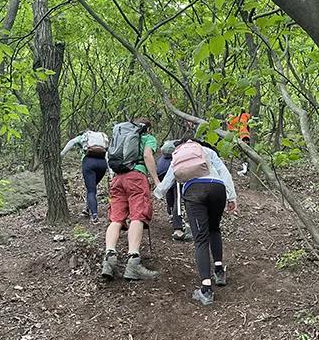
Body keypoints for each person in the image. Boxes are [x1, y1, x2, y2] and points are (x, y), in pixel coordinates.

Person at [154, 139, 237, 306]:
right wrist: (232, 196)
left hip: (194, 191)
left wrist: (157, 193)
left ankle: (206, 290)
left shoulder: (179, 154)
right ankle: (219, 272)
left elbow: (170, 178)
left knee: (200, 239)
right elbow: (224, 171)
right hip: (217, 188)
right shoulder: (207, 151)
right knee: (214, 229)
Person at [101, 117, 160, 281]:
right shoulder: (147, 137)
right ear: (147, 128)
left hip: (117, 178)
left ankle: (109, 258)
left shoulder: (121, 135)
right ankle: (133, 262)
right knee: (137, 216)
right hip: (136, 177)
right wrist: (156, 180)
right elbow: (148, 156)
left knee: (116, 219)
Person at [60, 129, 109, 224]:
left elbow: (72, 142)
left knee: (91, 190)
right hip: (102, 164)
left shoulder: (82, 137)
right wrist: (110, 172)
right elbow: (107, 153)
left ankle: (94, 215)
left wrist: (62, 154)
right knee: (92, 188)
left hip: (89, 163)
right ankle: (87, 208)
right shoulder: (101, 139)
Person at [157, 140, 192, 242]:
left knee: (171, 196)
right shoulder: (177, 157)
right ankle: (178, 228)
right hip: (176, 178)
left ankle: (171, 213)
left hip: (164, 178)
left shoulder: (162, 160)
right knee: (178, 199)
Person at [227, 110, 251, 175]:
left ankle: (245, 169)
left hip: (242, 137)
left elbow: (231, 131)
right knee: (246, 153)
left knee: (243, 154)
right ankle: (246, 167)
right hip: (246, 136)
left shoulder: (233, 120)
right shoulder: (245, 116)